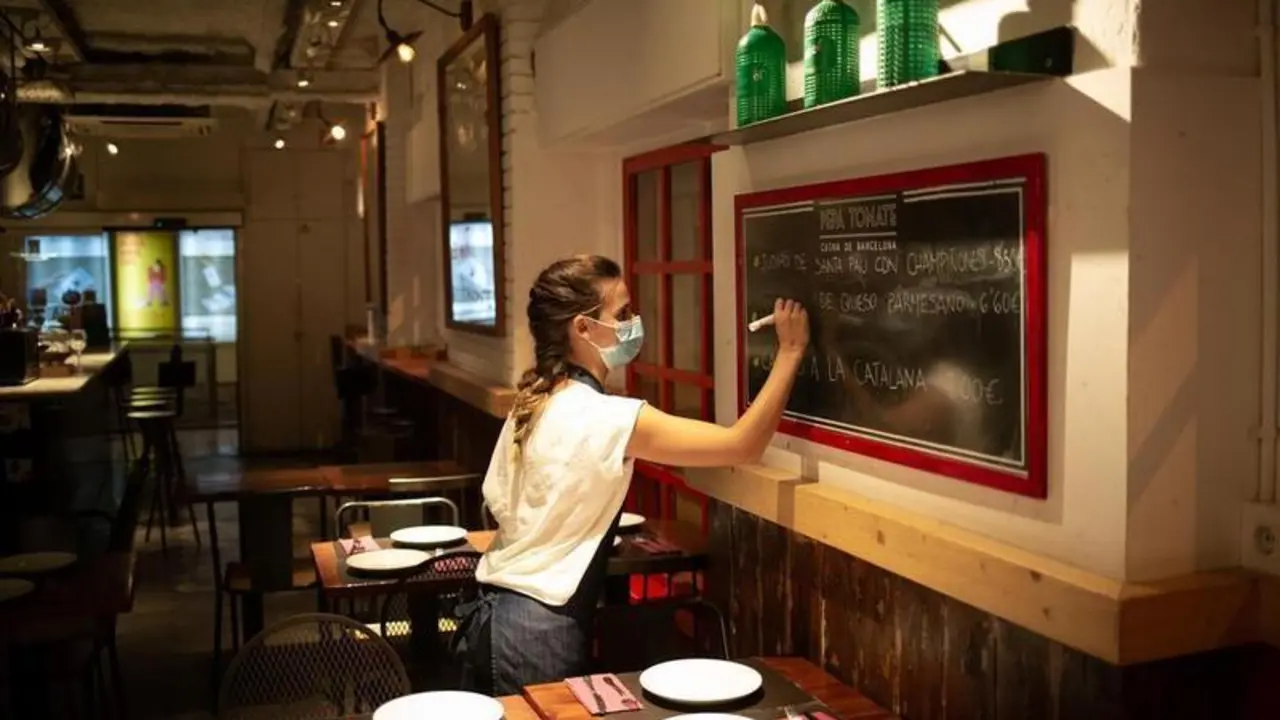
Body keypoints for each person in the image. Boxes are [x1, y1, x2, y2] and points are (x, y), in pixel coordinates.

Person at [452, 254, 809, 695]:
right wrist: (791, 351)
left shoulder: (534, 398)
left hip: (492, 616)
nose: (633, 323)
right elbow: (743, 444)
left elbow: (505, 505)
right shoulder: (607, 417)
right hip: (537, 631)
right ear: (582, 328)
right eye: (621, 314)